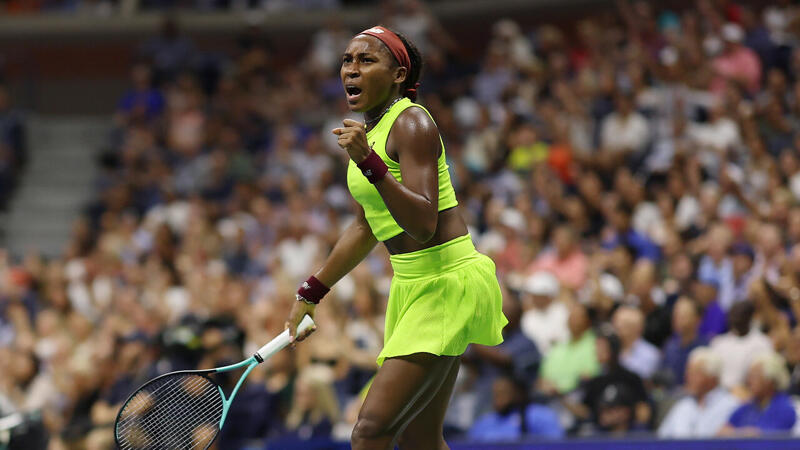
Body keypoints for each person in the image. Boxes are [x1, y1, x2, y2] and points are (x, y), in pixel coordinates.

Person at [285, 25, 507, 450]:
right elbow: (367, 226)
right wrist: (311, 292)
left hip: (446, 280)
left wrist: (369, 161)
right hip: (410, 286)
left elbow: (423, 224)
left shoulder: (412, 121)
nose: (351, 69)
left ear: (399, 74)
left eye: (366, 61)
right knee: (421, 440)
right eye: (347, 61)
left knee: (370, 431)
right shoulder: (368, 134)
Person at [658, 347, 740, 438]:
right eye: (688, 372)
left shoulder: (732, 406)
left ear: (712, 377)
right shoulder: (683, 406)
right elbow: (661, 440)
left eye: (695, 373)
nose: (688, 378)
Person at [719, 352, 796, 436]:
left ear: (770, 380)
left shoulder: (785, 408)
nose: (749, 381)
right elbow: (722, 432)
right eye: (749, 376)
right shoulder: (747, 406)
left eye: (755, 376)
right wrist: (745, 433)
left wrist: (737, 433)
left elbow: (762, 438)